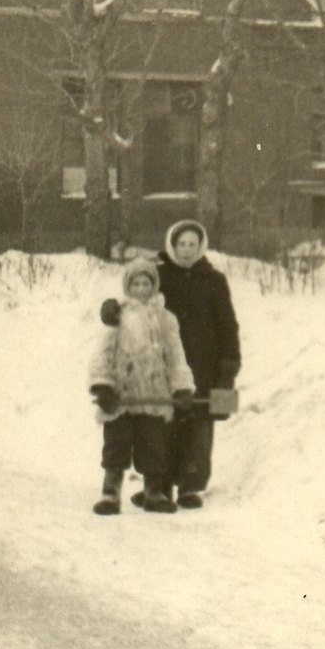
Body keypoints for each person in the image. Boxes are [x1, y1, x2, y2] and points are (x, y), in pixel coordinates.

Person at [101, 220, 241, 511]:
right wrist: (111, 308)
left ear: (200, 247)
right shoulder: (160, 275)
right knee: (161, 424)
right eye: (181, 244)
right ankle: (159, 487)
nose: (187, 250)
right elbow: (135, 296)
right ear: (172, 245)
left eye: (192, 244)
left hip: (204, 363)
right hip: (163, 362)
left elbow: (228, 325)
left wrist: (228, 368)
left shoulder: (214, 280)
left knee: (199, 425)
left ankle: (191, 487)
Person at [88, 257, 195, 516]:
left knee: (153, 446)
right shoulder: (118, 315)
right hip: (121, 396)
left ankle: (153, 493)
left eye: (145, 283)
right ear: (128, 286)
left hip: (153, 394)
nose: (140, 288)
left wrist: (181, 387)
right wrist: (102, 385)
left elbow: (176, 354)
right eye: (135, 283)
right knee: (116, 445)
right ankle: (110, 493)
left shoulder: (166, 319)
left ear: (153, 285)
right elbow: (103, 352)